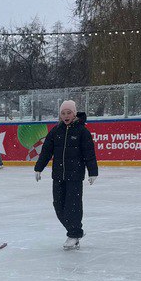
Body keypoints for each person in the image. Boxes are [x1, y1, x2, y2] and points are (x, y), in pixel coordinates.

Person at [34, 100, 98, 249]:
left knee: (73, 206)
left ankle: (74, 235)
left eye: (69, 112)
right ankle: (75, 231)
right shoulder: (56, 131)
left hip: (75, 176)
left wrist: (93, 172)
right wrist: (39, 168)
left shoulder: (82, 132)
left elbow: (89, 154)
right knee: (59, 206)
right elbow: (46, 151)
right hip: (58, 175)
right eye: (63, 113)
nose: (66, 115)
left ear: (74, 114)